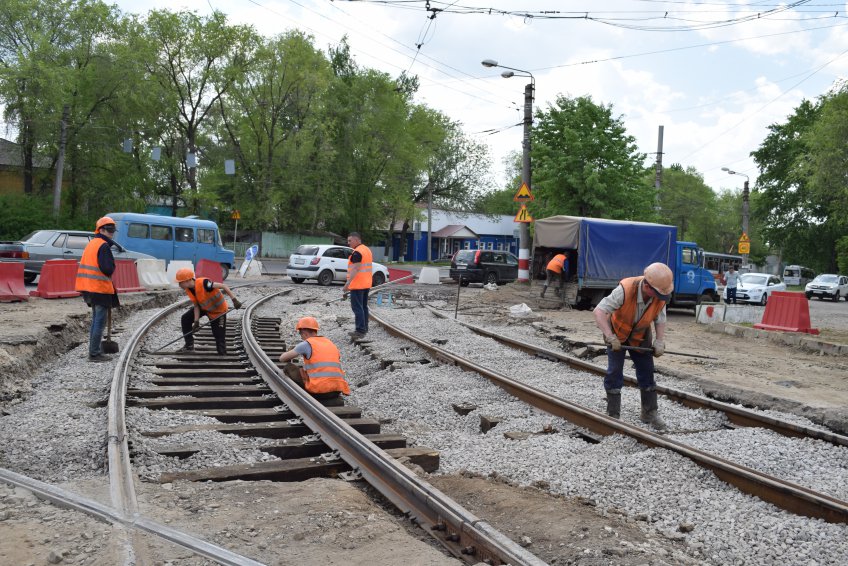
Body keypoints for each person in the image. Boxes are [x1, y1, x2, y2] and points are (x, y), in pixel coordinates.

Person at [592, 262, 673, 430]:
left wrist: (659, 340)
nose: (660, 298)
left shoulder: (660, 295)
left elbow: (660, 319)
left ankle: (649, 413)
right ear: (648, 286)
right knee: (614, 371)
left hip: (640, 335)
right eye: (657, 293)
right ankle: (613, 414)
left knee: (647, 371)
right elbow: (599, 311)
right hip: (617, 334)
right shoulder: (625, 289)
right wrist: (609, 336)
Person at [75, 216, 121, 362]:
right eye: (109, 230)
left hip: (89, 288)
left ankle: (94, 350)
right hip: (99, 289)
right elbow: (107, 269)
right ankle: (94, 354)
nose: (111, 233)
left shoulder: (92, 244)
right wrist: (113, 265)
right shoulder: (103, 246)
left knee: (96, 320)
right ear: (100, 230)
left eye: (113, 230)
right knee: (99, 321)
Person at [279, 316, 351, 399]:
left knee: (289, 367)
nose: (301, 337)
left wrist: (290, 352)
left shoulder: (306, 344)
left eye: (300, 334)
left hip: (319, 391)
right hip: (336, 391)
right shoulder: (330, 343)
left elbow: (282, 358)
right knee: (304, 370)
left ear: (304, 332)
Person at [175, 268, 242, 355]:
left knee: (219, 335)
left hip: (219, 311)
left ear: (188, 280)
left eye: (180, 282)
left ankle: (222, 354)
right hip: (204, 308)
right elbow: (196, 306)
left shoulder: (205, 283)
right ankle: (189, 346)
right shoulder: (189, 290)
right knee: (185, 318)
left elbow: (223, 286)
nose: (179, 285)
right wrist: (196, 321)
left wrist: (234, 300)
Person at [341, 232, 372, 340]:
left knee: (357, 307)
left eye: (350, 240)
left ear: (357, 240)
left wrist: (347, 283)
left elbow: (356, 268)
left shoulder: (357, 252)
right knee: (363, 307)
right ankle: (365, 328)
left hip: (358, 284)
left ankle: (360, 331)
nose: (348, 243)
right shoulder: (366, 249)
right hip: (366, 283)